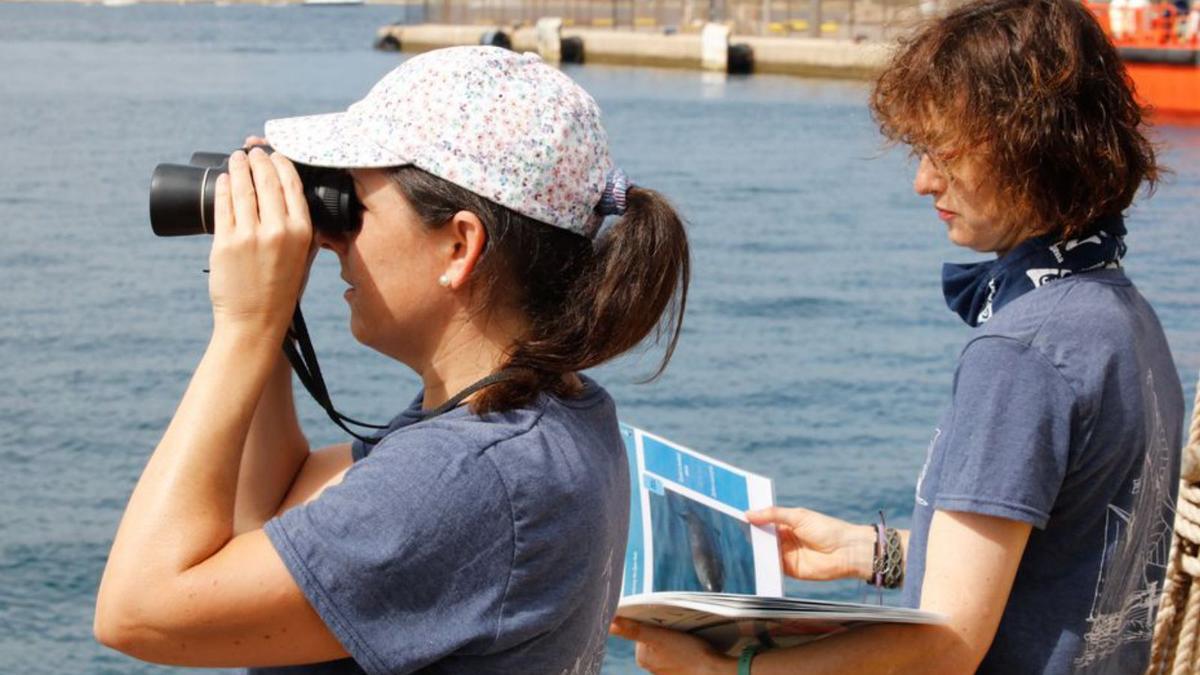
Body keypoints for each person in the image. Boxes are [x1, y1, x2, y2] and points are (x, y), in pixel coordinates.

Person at [611, 0, 1182, 673]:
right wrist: (866, 551)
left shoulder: (1020, 352)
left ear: (1029, 145)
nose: (922, 181)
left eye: (943, 151)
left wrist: (728, 670)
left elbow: (946, 643)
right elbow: (1061, 559)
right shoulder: (1119, 313)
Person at [94, 46, 690, 674]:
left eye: (355, 205)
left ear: (459, 245)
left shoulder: (473, 476)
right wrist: (276, 317)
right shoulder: (544, 412)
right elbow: (269, 504)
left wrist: (244, 325)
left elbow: (137, 611)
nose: (330, 237)